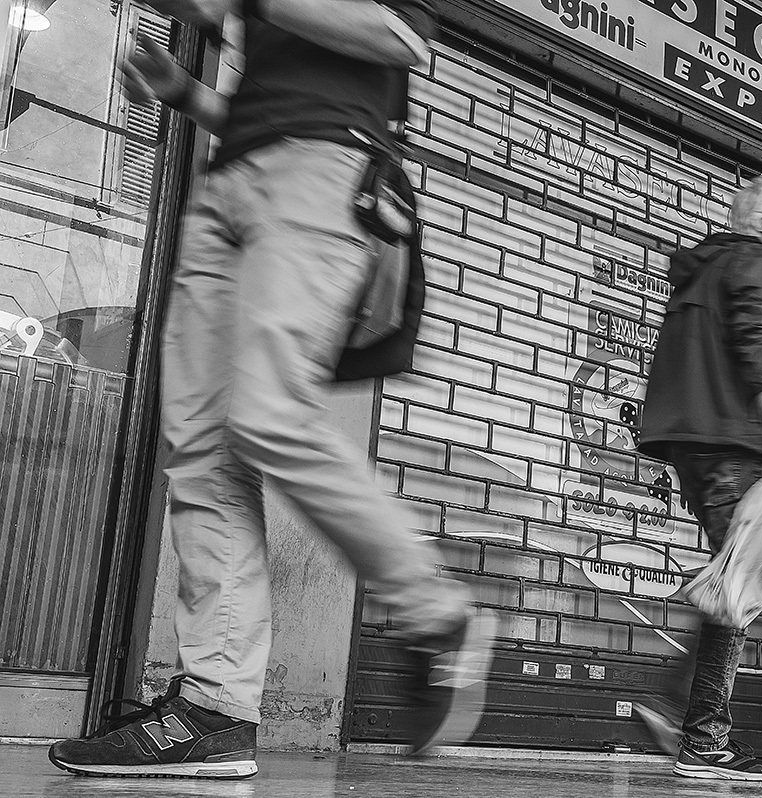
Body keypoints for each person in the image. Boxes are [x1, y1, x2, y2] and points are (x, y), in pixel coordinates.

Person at [48, 0, 494, 779]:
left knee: (270, 418)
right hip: (229, 182)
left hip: (324, 170)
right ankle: (216, 711)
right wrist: (184, 92)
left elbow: (401, 39)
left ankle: (438, 614)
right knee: (202, 455)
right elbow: (271, 101)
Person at [635, 176, 762, 781]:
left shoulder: (704, 269)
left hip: (694, 441)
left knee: (731, 579)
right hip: (734, 441)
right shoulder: (755, 259)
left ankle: (677, 709)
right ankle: (705, 738)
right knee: (739, 584)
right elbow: (759, 338)